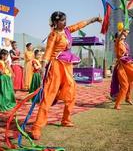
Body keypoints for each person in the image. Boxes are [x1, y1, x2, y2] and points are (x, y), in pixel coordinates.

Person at [31, 11, 102, 140]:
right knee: (48, 95)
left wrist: (94, 19)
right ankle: (37, 126)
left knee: (71, 91)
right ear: (55, 22)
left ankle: (66, 119)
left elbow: (80, 25)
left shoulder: (68, 31)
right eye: (62, 20)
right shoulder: (53, 35)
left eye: (65, 19)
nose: (65, 22)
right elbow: (48, 51)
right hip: (56, 67)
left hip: (67, 66)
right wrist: (43, 66)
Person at [113, 28, 133, 110]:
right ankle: (117, 104)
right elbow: (119, 37)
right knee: (124, 86)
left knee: (131, 82)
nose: (124, 35)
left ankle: (127, 98)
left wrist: (126, 32)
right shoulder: (117, 43)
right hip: (121, 67)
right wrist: (122, 33)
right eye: (121, 34)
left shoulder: (125, 44)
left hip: (127, 65)